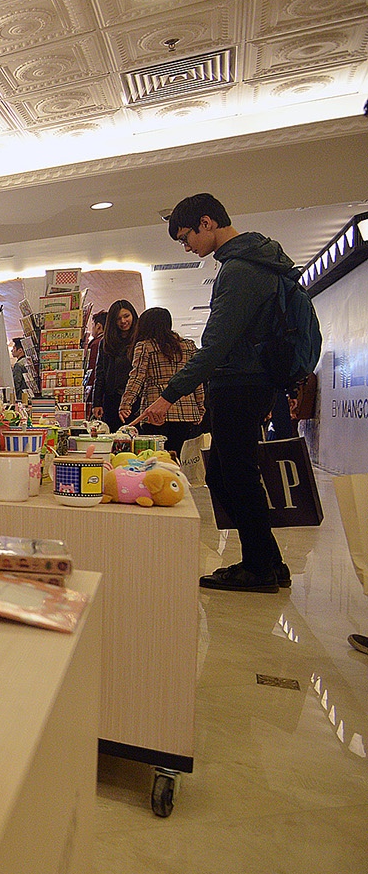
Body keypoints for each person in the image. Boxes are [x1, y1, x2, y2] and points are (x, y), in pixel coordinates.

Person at [139, 193, 294, 592]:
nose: (186, 246)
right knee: (229, 474)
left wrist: (168, 395)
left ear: (206, 223)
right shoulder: (252, 261)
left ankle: (259, 568)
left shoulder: (240, 269)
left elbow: (217, 346)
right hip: (249, 381)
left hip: (240, 383)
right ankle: (269, 561)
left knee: (234, 476)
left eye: (185, 236)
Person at [119, 307, 202, 454]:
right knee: (176, 455)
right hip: (186, 408)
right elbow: (196, 379)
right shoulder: (188, 346)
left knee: (155, 455)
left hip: (155, 408)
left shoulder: (145, 346)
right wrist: (200, 407)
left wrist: (126, 403)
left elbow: (137, 377)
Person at [89, 299, 138, 433]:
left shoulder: (140, 340)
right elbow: (100, 373)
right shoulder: (106, 342)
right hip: (112, 399)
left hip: (136, 400)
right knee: (113, 436)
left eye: (126, 316)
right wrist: (97, 402)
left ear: (133, 315)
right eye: (118, 318)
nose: (123, 321)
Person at [84, 310, 106, 405]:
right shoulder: (109, 342)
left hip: (96, 394)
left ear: (98, 326)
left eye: (92, 325)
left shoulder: (96, 344)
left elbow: (93, 370)